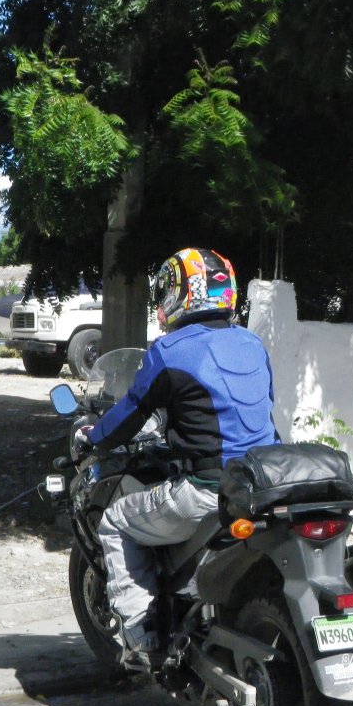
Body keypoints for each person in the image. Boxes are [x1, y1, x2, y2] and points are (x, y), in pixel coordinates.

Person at [76, 248, 279, 667]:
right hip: (263, 485)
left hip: (208, 492)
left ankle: (140, 637)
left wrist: (92, 438)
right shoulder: (252, 344)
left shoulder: (170, 350)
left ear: (179, 295)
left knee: (116, 521)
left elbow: (130, 413)